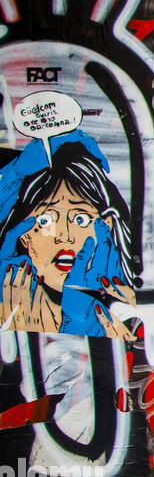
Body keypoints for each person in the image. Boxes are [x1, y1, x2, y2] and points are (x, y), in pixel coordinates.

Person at [0, 136, 137, 340]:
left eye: (80, 219)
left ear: (106, 224)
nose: (64, 237)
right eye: (45, 220)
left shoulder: (123, 307)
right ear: (23, 235)